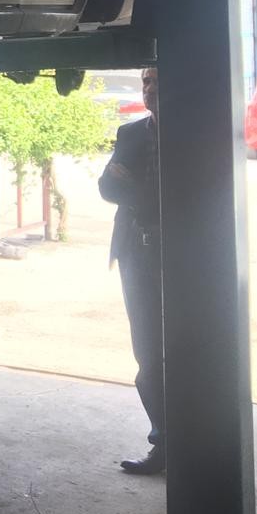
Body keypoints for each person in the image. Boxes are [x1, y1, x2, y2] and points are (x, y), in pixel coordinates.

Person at [98, 66, 165, 475]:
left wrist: (135, 188)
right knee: (148, 352)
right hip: (135, 253)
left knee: (186, 349)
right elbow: (107, 189)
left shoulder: (197, 133)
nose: (151, 88)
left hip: (183, 255)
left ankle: (196, 444)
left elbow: (186, 194)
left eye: (158, 80)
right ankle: (164, 442)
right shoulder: (131, 133)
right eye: (146, 81)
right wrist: (136, 190)